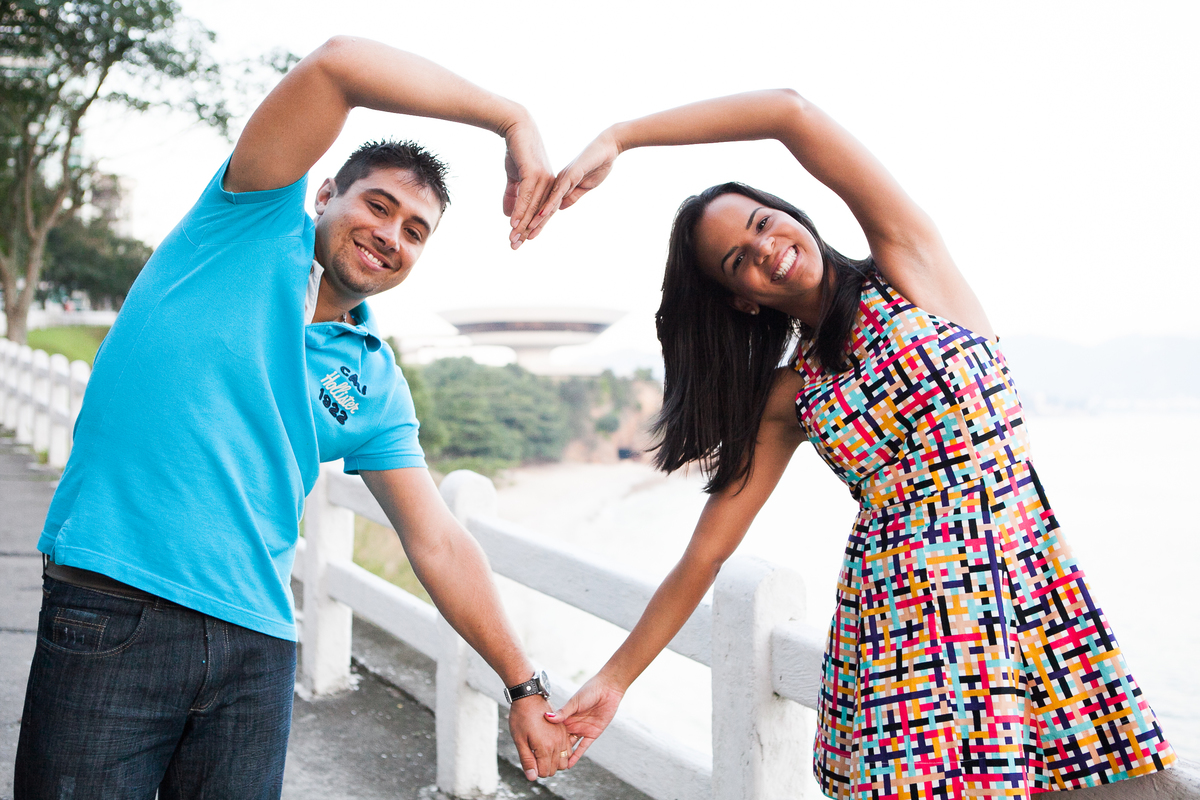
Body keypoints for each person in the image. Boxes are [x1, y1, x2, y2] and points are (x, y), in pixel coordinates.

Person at [531, 90, 1178, 797]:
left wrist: (621, 136)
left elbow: (788, 113)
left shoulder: (910, 267)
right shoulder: (789, 396)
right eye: (738, 261)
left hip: (1018, 593)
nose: (768, 251)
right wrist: (615, 679)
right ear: (741, 298)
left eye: (764, 223)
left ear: (794, 215)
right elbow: (708, 551)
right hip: (897, 631)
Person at [15, 37, 572, 798]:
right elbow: (339, 66)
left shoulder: (374, 376)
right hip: (115, 607)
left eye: (415, 230)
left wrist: (525, 685)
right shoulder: (245, 224)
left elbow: (436, 538)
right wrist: (512, 119)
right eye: (379, 204)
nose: (391, 233)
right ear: (325, 195)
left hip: (256, 652)